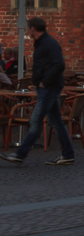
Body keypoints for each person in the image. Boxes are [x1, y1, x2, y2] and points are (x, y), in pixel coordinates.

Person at [1, 17, 74, 167]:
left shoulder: (48, 44)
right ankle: (68, 154)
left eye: (28, 28)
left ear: (33, 29)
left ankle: (20, 154)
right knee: (56, 122)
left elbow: (59, 64)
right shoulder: (42, 43)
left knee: (35, 121)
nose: (28, 31)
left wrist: (44, 82)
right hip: (46, 88)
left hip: (48, 88)